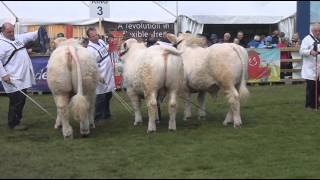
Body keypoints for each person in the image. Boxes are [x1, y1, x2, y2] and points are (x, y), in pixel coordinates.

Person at [0, 22, 39, 130]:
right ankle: (13, 123)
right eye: (9, 32)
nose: (12, 33)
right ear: (3, 31)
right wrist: (3, 75)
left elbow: (29, 36)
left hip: (22, 76)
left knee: (21, 100)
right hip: (12, 77)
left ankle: (17, 119)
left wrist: (39, 31)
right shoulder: (1, 44)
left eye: (13, 31)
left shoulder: (16, 38)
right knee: (16, 101)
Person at [86, 27, 115, 121]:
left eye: (96, 35)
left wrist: (109, 45)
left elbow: (106, 49)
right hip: (100, 73)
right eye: (93, 36)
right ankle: (97, 116)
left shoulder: (101, 41)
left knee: (108, 94)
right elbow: (91, 63)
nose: (96, 37)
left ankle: (106, 113)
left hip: (108, 72)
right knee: (100, 96)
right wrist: (98, 75)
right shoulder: (89, 49)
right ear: (89, 38)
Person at [300, 23, 320, 110]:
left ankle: (316, 104)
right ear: (312, 31)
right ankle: (308, 105)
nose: (318, 32)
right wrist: (310, 52)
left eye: (319, 31)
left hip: (319, 67)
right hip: (310, 67)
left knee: (318, 87)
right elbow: (301, 51)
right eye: (316, 31)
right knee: (311, 87)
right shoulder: (307, 39)